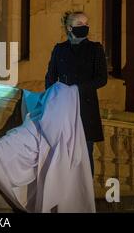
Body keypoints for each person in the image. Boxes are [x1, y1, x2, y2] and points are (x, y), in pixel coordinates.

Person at [45, 11, 108, 176]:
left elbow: (102, 79)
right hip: (63, 108)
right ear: (69, 27)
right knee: (62, 152)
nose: (85, 27)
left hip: (85, 108)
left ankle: (85, 195)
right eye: (80, 24)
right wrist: (53, 98)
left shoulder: (95, 49)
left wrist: (76, 89)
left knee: (85, 153)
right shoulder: (59, 50)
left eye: (86, 24)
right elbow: (50, 78)